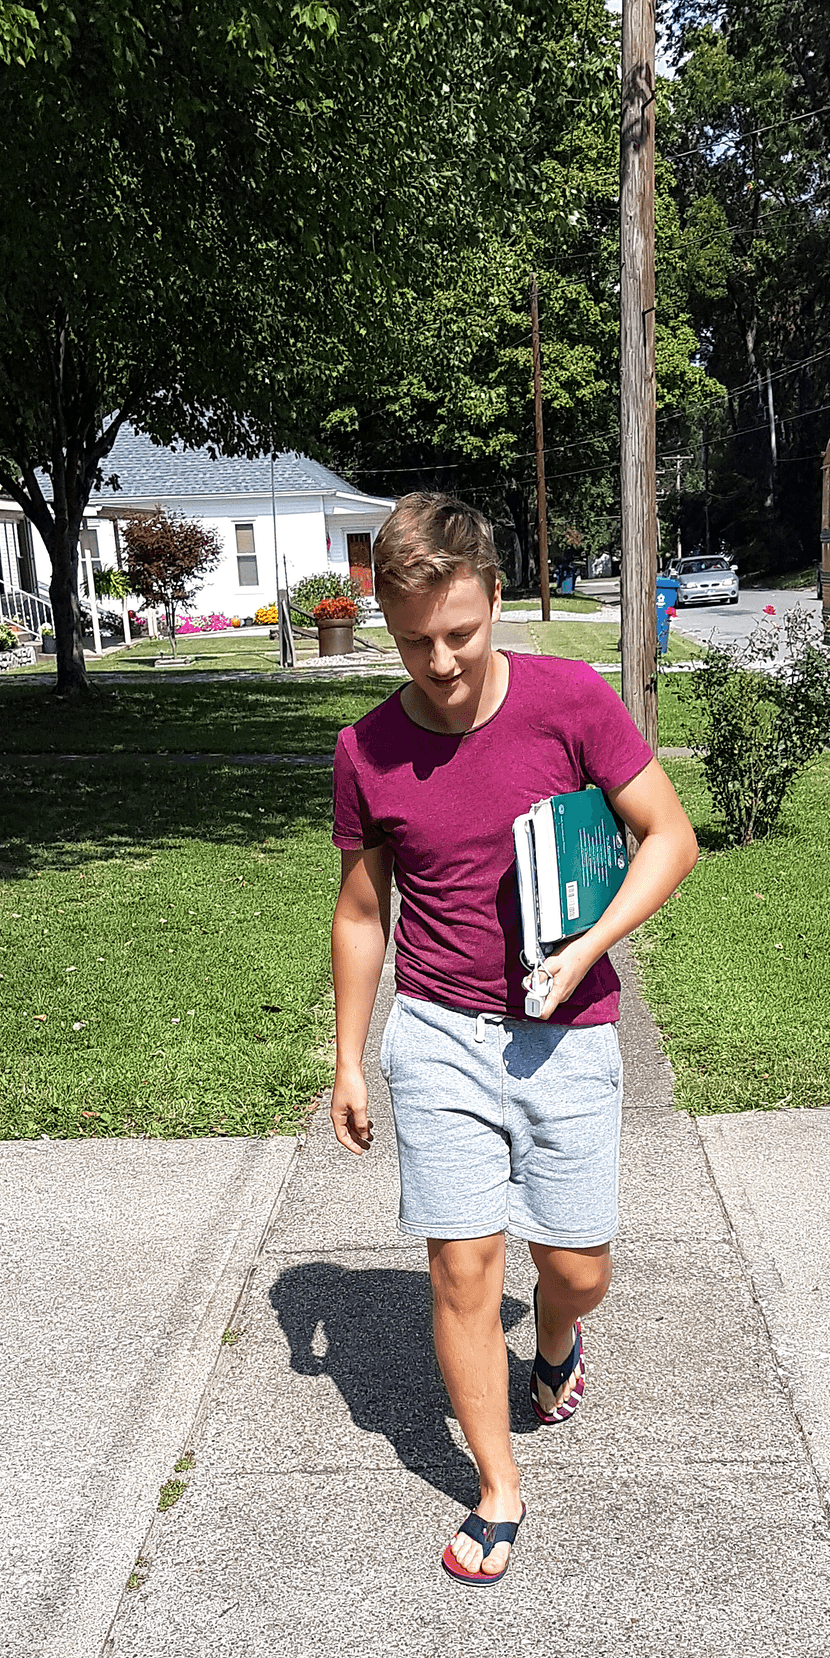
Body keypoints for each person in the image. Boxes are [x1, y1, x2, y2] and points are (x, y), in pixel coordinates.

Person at [328, 491, 699, 1586]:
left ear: (496, 596)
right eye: (412, 641)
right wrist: (349, 1057)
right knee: (461, 1269)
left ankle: (557, 1340)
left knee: (576, 1267)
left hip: (564, 1031)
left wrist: (592, 947)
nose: (438, 662)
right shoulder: (367, 751)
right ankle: (497, 1486)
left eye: (459, 633)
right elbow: (361, 913)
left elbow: (669, 839)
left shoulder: (569, 702)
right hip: (438, 1031)